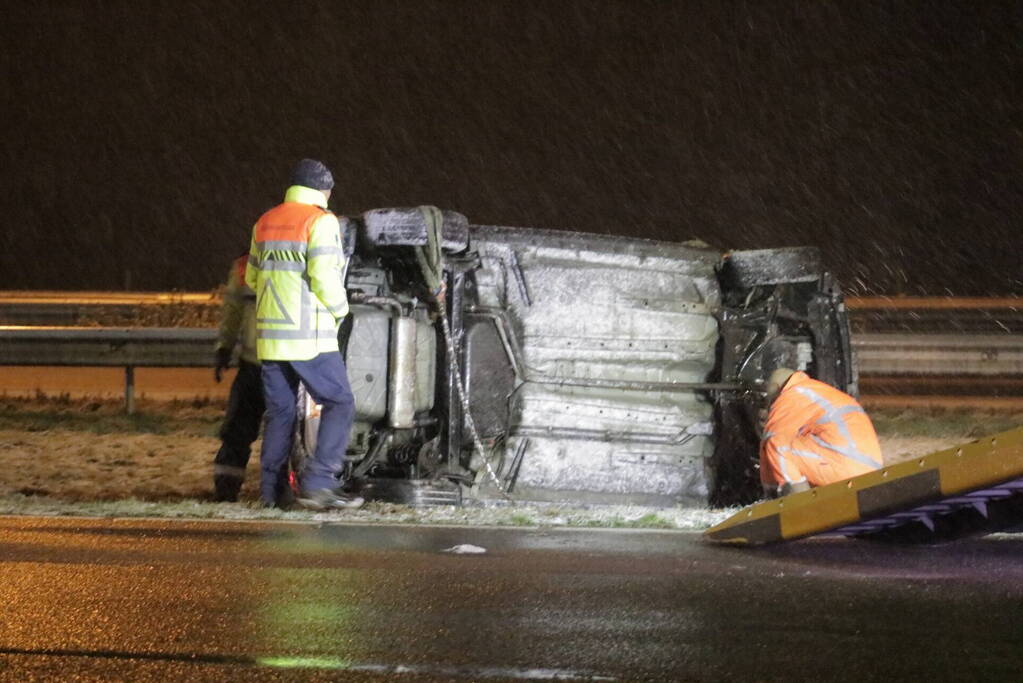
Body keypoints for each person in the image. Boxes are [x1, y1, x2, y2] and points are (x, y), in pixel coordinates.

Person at [244, 159, 362, 510]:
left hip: (271, 337)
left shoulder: (265, 221)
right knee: (340, 402)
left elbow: (250, 278)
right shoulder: (320, 221)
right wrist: (341, 311)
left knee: (280, 413)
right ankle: (319, 483)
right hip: (309, 336)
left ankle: (272, 494)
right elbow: (325, 277)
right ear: (323, 189)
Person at [211, 253, 279, 503]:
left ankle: (226, 489)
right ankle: (277, 491)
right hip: (288, 364)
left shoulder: (245, 264)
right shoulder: (304, 255)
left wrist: (224, 347)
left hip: (253, 362)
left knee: (238, 431)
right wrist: (225, 347)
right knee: (285, 431)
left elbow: (233, 309)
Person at [759, 367, 883, 498]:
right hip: (870, 472)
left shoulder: (791, 395)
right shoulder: (816, 390)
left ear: (776, 387)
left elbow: (774, 441)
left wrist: (768, 495)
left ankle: (800, 505)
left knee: (776, 445)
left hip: (845, 468)